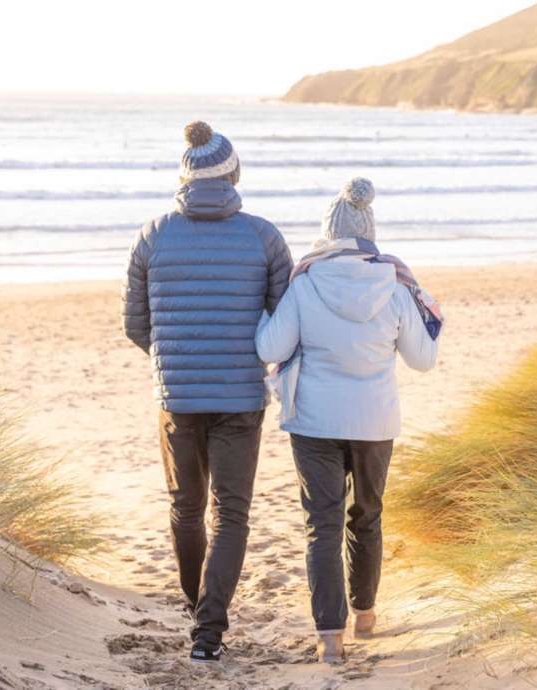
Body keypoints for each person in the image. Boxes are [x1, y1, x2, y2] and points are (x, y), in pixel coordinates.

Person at [122, 121, 292, 663]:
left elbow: (135, 325)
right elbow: (284, 321)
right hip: (241, 395)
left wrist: (176, 360)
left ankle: (198, 606)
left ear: (184, 176)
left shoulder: (152, 235)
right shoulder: (263, 236)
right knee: (233, 512)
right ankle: (208, 631)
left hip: (177, 396)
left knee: (186, 506)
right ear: (234, 174)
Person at [255, 177, 442, 663]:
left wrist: (261, 314)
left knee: (323, 525)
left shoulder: (307, 282)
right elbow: (422, 360)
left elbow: (270, 348)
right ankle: (365, 613)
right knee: (368, 516)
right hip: (376, 422)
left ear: (326, 234)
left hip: (315, 420)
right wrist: (422, 302)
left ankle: (330, 637)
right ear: (368, 232)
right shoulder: (396, 285)